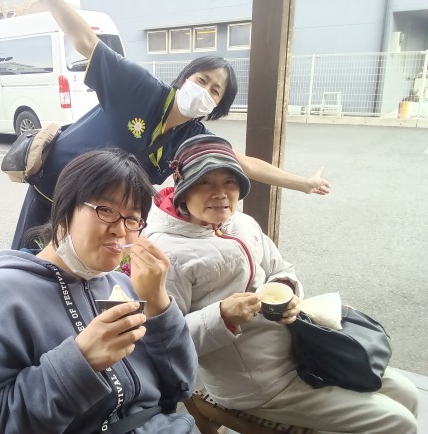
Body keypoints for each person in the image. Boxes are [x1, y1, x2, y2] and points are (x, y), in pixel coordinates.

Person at [11, 0, 331, 249]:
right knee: (26, 270)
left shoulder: (193, 137)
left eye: (215, 91)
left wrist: (304, 183)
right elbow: (86, 42)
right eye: (202, 79)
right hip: (51, 191)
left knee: (78, 282)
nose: (205, 90)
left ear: (216, 107)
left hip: (100, 215)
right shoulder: (139, 87)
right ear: (185, 77)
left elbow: (244, 163)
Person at [143, 134, 419, 434]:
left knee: (406, 393)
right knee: (397, 422)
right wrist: (222, 315)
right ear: (182, 188)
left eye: (230, 181)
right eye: (205, 182)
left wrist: (287, 289)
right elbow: (164, 343)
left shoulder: (241, 223)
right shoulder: (166, 254)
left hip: (301, 351)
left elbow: (280, 268)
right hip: (256, 385)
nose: (220, 193)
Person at [0, 149, 199, 434]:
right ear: (64, 209)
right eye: (106, 210)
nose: (120, 230)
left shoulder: (122, 286)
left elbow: (181, 386)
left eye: (132, 219)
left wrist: (159, 305)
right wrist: (79, 363)